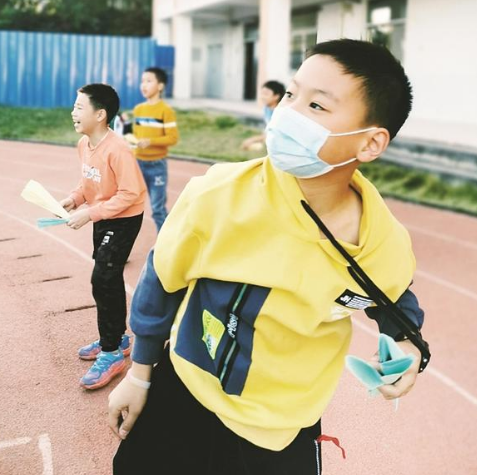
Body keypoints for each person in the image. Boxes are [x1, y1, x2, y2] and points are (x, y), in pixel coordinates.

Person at [108, 39, 429, 474]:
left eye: (317, 106)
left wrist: (408, 348)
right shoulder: (217, 195)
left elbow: (392, 300)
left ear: (370, 143)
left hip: (281, 429)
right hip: (185, 390)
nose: (289, 113)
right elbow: (161, 281)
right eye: (292, 95)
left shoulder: (379, 242)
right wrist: (139, 373)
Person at [60, 83, 147, 390]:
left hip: (122, 219)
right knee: (104, 279)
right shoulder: (85, 145)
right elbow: (89, 183)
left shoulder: (118, 149)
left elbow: (131, 193)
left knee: (103, 279)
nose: (73, 112)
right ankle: (116, 338)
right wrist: (75, 199)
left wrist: (91, 213)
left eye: (79, 107)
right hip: (103, 215)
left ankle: (111, 354)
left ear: (100, 114)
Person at [131, 67, 179, 233]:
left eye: (149, 81)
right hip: (137, 164)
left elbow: (172, 138)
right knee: (130, 207)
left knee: (157, 209)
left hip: (157, 166)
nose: (143, 85)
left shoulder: (166, 111)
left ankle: (167, 245)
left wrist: (150, 142)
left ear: (160, 86)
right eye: (142, 81)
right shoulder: (138, 109)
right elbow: (136, 135)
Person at [240, 80, 286, 151]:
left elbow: (275, 135)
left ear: (276, 96)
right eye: (262, 93)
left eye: (266, 94)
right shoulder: (267, 108)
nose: (262, 97)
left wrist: (253, 140)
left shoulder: (280, 113)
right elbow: (267, 130)